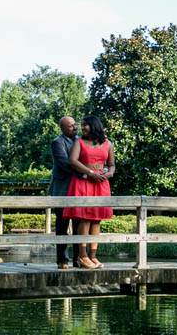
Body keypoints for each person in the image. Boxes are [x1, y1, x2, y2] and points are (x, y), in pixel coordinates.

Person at [63, 115, 115, 269]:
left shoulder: (108, 144)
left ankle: (93, 256)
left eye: (86, 125)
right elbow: (72, 161)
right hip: (84, 181)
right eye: (82, 125)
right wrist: (90, 173)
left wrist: (110, 173)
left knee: (97, 219)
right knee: (84, 218)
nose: (82, 127)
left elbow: (111, 165)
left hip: (101, 182)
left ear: (95, 126)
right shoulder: (78, 142)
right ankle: (82, 255)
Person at [49, 116, 81, 269]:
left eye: (75, 125)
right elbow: (64, 163)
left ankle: (79, 259)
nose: (74, 127)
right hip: (62, 188)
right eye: (70, 126)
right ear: (62, 128)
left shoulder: (80, 141)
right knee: (62, 225)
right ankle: (62, 260)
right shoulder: (57, 142)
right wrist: (85, 173)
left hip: (78, 189)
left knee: (79, 224)